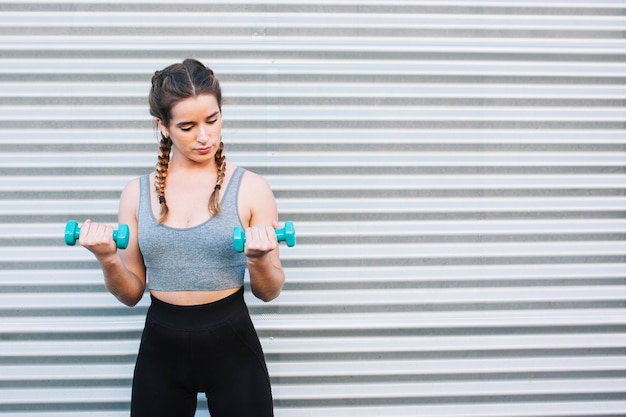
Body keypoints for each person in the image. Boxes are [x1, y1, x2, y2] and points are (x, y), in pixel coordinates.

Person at [77, 58, 285, 416]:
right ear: (163, 127)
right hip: (162, 349)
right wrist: (107, 258)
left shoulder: (251, 188)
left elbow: (269, 291)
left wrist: (258, 258)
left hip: (232, 345)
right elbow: (131, 294)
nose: (203, 136)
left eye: (212, 120)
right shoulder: (136, 193)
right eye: (187, 126)